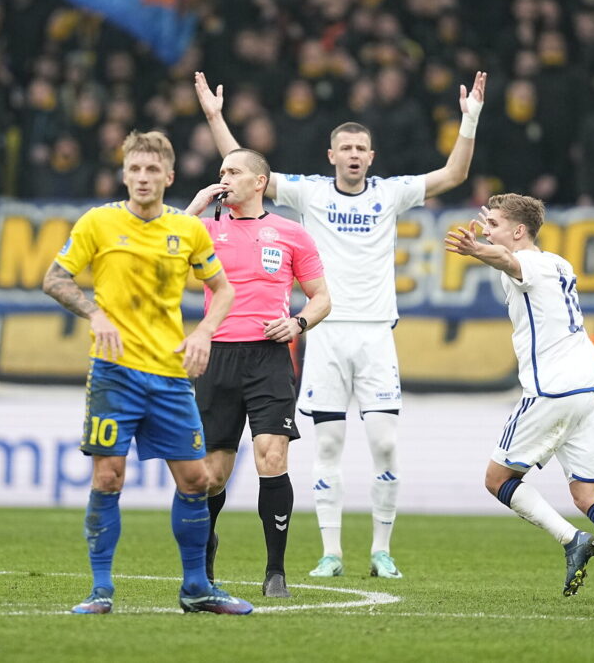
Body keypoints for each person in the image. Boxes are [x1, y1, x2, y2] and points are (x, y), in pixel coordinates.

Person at [194, 69, 487, 579]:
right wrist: (217, 118)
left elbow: (452, 176)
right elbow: (246, 171)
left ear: (371, 157)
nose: (353, 154)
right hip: (322, 331)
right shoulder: (309, 195)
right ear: (332, 156)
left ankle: (381, 550)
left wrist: (471, 119)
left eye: (361, 148)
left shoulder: (390, 193)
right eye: (345, 147)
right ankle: (330, 553)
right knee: (326, 445)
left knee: (385, 442)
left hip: (375, 332)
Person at [41, 130, 252, 616]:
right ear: (124, 174)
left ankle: (197, 588)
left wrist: (203, 334)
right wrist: (95, 314)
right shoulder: (98, 223)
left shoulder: (187, 230)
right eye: (134, 169)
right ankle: (100, 590)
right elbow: (55, 277)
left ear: (169, 176)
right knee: (108, 477)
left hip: (171, 375)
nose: (142, 178)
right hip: (114, 373)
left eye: (152, 170)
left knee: (196, 480)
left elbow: (222, 291)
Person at [445, 193, 594, 602]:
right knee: (589, 493)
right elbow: (512, 261)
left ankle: (572, 540)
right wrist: (490, 240)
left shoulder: (530, 263)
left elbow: (511, 262)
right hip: (588, 387)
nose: (487, 230)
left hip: (552, 388)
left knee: (497, 479)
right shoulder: (560, 263)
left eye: (495, 224)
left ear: (519, 231)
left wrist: (476, 249)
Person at [184, 149, 332, 598]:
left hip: (269, 356)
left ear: (259, 182)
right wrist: (193, 207)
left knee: (272, 455)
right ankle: (205, 565)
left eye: (232, 171)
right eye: (220, 171)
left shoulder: (291, 234)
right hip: (217, 357)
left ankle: (275, 573)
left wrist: (299, 322)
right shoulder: (204, 229)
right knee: (212, 474)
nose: (223, 178)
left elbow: (322, 296)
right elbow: (159, 249)